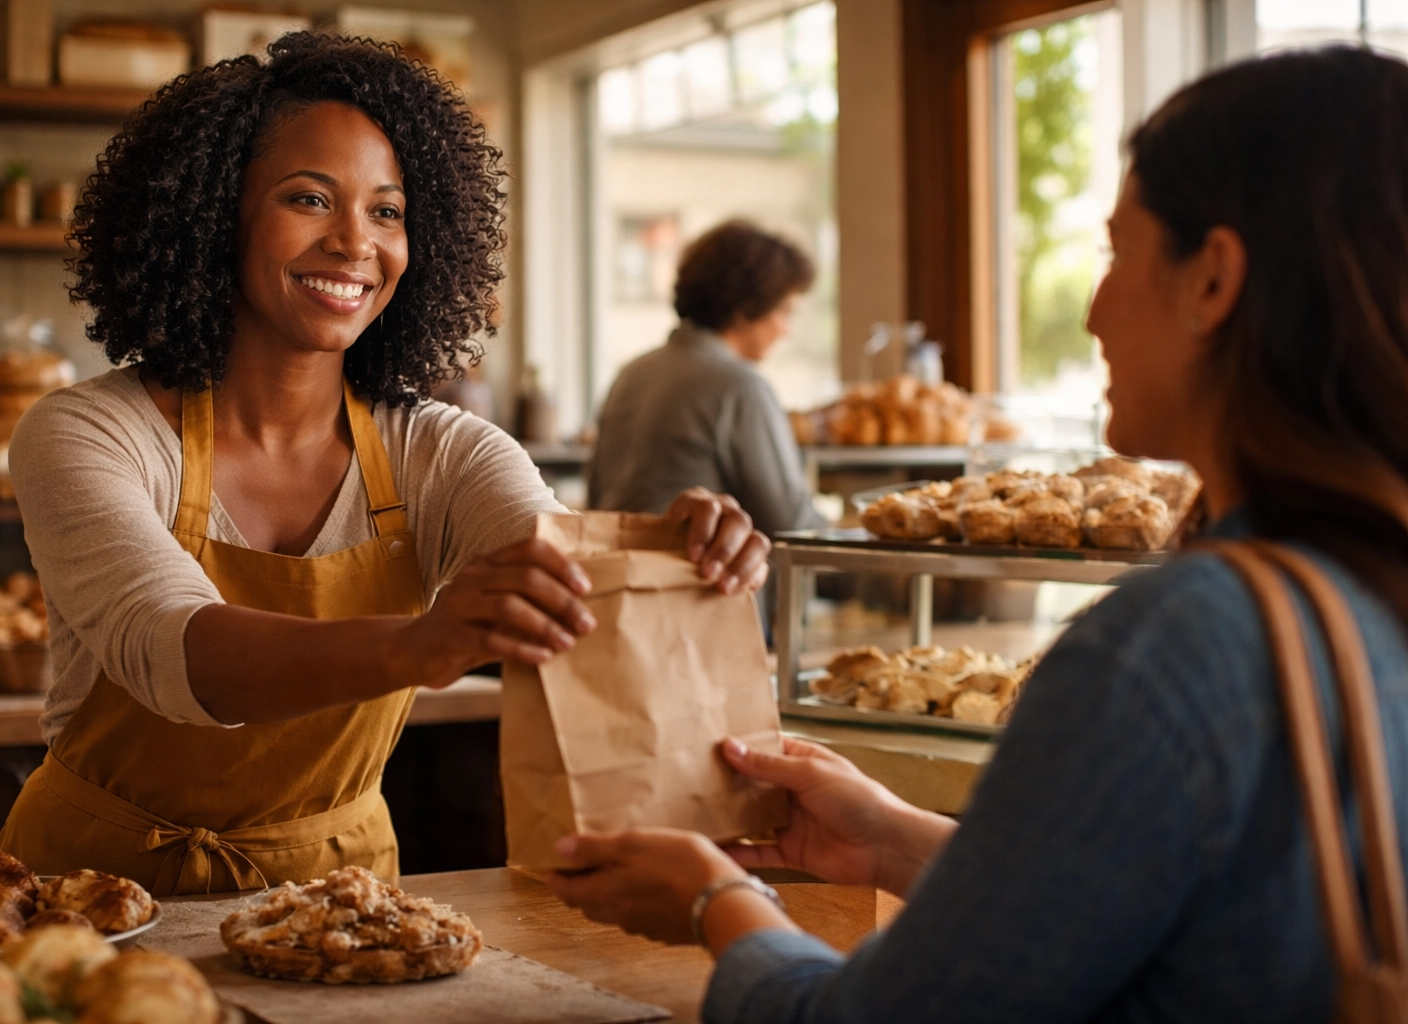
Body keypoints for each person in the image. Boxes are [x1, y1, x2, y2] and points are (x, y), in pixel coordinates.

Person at [547, 47, 1408, 1021]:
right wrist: (896, 840)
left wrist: (719, 900)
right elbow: (1198, 914)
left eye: (1117, 252)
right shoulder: (1362, 593)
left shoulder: (1168, 647)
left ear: (1214, 281)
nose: (1090, 311)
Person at [0, 33, 769, 895]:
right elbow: (171, 651)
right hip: (85, 900)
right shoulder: (88, 432)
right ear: (216, 218)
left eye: (387, 211)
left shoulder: (441, 450)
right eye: (309, 199)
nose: (355, 243)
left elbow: (573, 576)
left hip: (339, 899)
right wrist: (419, 643)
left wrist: (676, 549)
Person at [588, 220, 824, 538]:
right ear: (744, 311)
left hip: (614, 574)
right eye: (783, 312)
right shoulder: (740, 386)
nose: (787, 329)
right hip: (697, 578)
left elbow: (596, 498)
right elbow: (793, 525)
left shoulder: (632, 372)